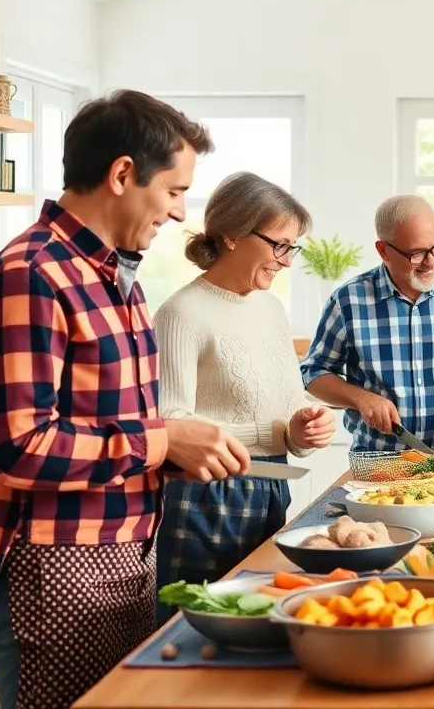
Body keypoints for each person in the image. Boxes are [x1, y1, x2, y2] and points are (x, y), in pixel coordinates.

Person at [0, 90, 251, 709]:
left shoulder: (112, 279)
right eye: (174, 191)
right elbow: (17, 449)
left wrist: (175, 451)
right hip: (48, 571)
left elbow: (107, 429)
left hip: (109, 564)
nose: (180, 213)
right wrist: (164, 441)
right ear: (123, 174)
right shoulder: (30, 276)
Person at [153, 172, 337, 620]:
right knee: (195, 629)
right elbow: (170, 421)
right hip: (204, 500)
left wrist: (305, 425)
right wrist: (276, 431)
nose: (287, 261)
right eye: (280, 245)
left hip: (271, 485)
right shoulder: (180, 313)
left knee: (261, 618)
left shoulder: (270, 308)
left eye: (292, 247)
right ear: (233, 235)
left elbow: (288, 398)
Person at [301, 194, 434, 452]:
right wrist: (360, 398)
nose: (431, 261)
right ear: (384, 251)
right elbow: (313, 372)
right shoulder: (348, 301)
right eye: (418, 253)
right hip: (378, 463)